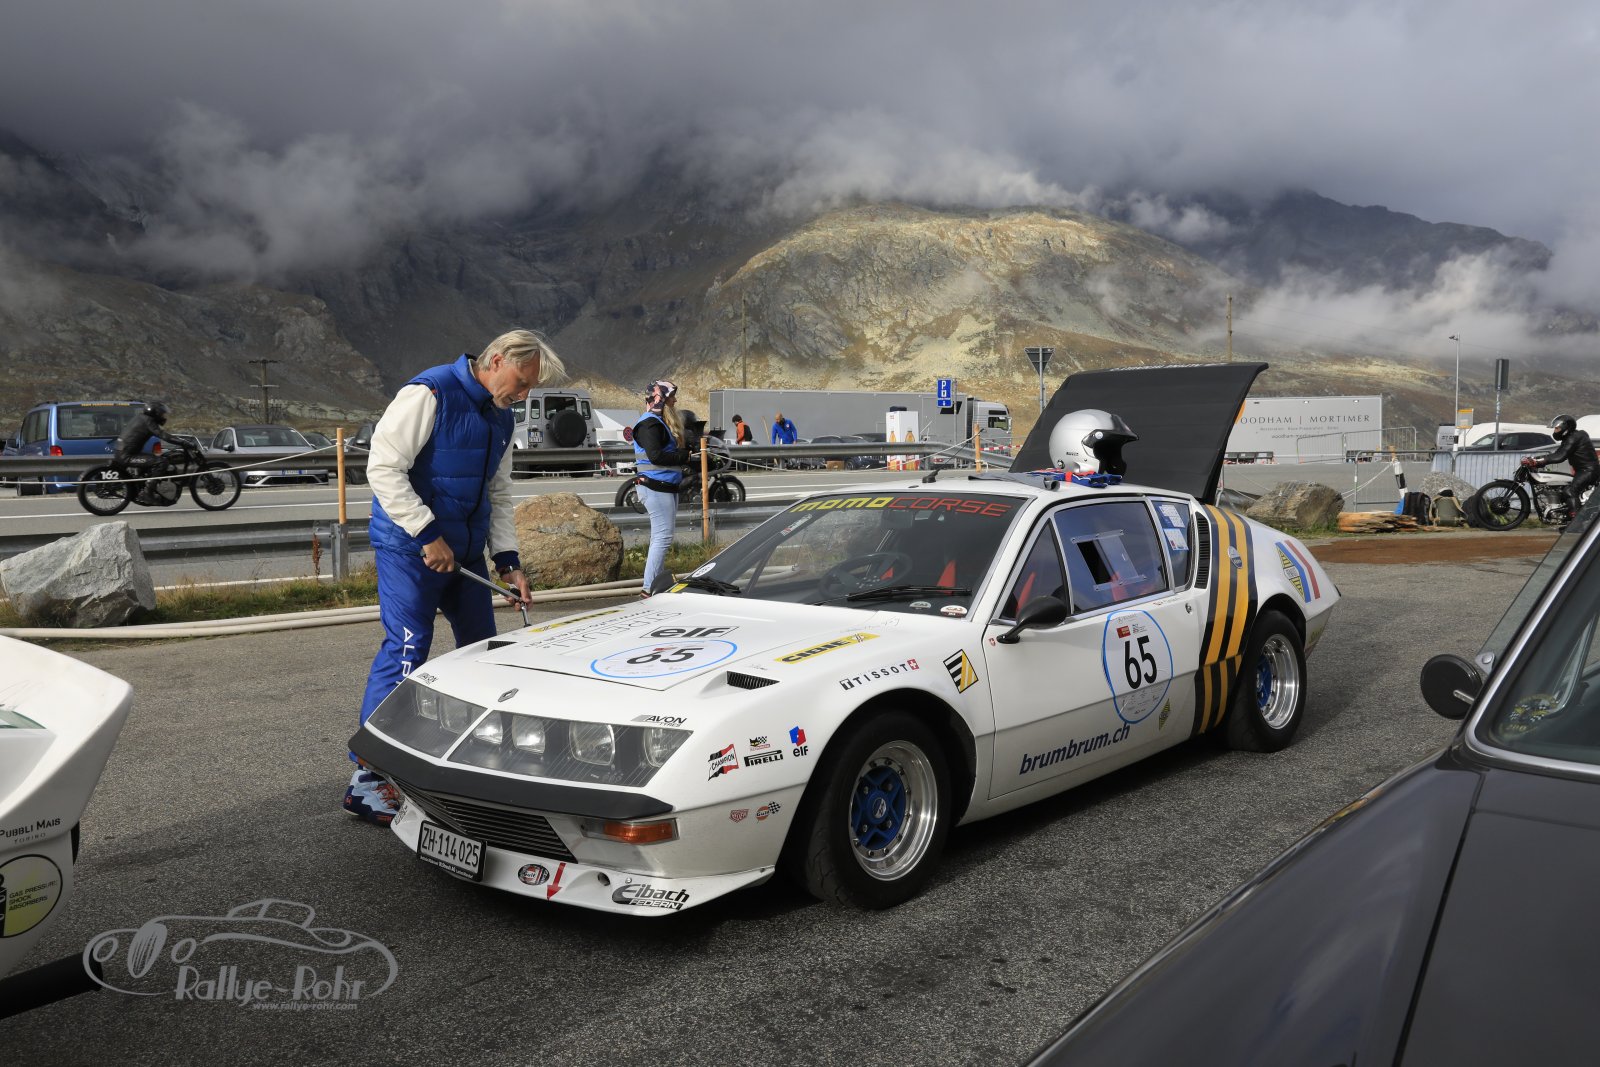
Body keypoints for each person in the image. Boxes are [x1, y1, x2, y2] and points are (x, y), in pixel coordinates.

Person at [344, 328, 564, 824]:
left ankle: (475, 761)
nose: (524, 395)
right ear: (497, 360)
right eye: (522, 382)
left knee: (483, 654)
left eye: (530, 388)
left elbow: (498, 493)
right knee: (407, 650)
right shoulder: (430, 392)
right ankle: (369, 779)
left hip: (463, 555)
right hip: (409, 549)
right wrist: (427, 534)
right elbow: (383, 469)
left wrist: (508, 562)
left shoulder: (501, 415)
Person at [632, 380, 693, 597]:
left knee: (661, 537)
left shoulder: (657, 422)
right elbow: (656, 456)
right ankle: (649, 588)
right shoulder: (649, 424)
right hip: (655, 486)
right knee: (662, 538)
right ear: (660, 399)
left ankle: (654, 585)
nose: (675, 401)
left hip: (663, 486)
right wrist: (685, 456)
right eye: (671, 397)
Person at [1523, 414, 1598, 522]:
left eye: (1557, 428)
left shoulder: (1575, 437)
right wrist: (1536, 460)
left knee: (1570, 491)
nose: (1555, 431)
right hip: (1582, 470)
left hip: (1588, 470)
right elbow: (1556, 454)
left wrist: (1538, 461)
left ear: (1566, 428)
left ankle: (1576, 522)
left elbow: (1560, 456)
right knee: (1562, 491)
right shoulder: (1570, 438)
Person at [112, 400, 186, 480]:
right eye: (162, 414)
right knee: (161, 462)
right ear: (156, 413)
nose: (163, 417)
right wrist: (184, 442)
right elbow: (164, 435)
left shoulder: (141, 418)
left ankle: (145, 483)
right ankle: (149, 487)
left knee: (153, 461)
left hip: (124, 454)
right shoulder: (148, 421)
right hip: (127, 457)